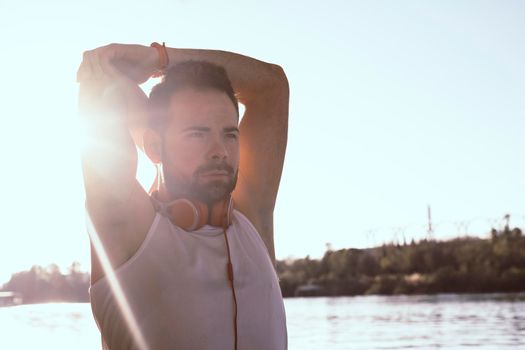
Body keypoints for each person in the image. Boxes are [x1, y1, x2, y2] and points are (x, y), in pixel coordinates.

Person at [77, 43, 289, 350]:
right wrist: (112, 74)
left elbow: (271, 85)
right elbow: (100, 90)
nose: (220, 151)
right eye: (197, 134)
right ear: (153, 147)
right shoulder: (126, 229)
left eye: (229, 133)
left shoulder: (251, 219)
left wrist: (160, 58)